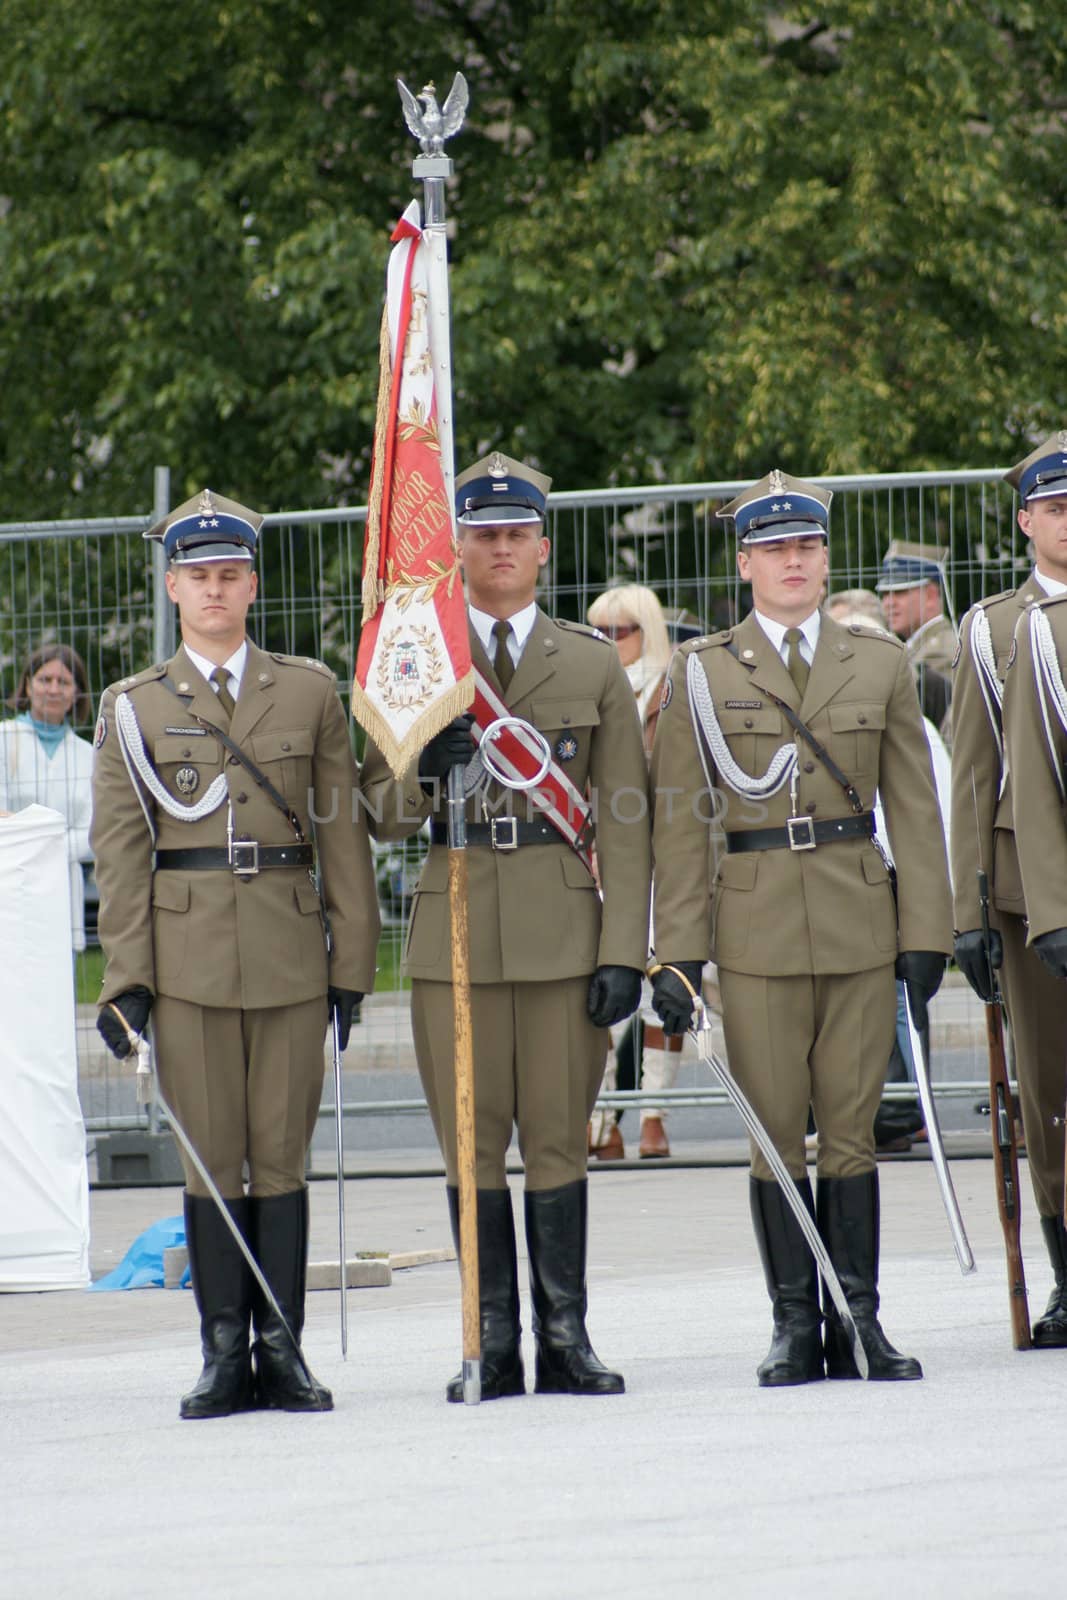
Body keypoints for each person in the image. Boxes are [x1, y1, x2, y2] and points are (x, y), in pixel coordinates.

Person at [649, 469, 952, 1387]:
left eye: (808, 546)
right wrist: (678, 952)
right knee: (775, 1132)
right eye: (775, 548)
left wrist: (927, 931)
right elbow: (679, 817)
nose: (794, 561)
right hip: (755, 927)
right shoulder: (700, 672)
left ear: (826, 558)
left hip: (860, 914)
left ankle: (858, 1318)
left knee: (852, 1129)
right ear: (744, 563)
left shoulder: (879, 663)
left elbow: (914, 804)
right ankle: (793, 1324)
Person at [361, 451, 651, 1402]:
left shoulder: (589, 660)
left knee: (560, 1140)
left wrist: (623, 953)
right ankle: (488, 1340)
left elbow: (625, 818)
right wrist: (420, 762)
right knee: (472, 1147)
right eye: (480, 535)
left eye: (513, 534)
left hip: (567, 936)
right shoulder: (421, 656)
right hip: (457, 934)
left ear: (542, 547)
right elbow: (382, 814)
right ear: (459, 549)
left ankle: (564, 1337)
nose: (497, 548)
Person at [91, 489, 380, 1418]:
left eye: (229, 574)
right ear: (173, 587)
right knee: (213, 1159)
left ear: (252, 584)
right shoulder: (130, 709)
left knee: (281, 1156)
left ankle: (283, 1349)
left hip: (293, 950)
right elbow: (124, 855)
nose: (215, 590)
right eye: (198, 576)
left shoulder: (307, 691)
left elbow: (343, 840)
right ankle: (223, 1352)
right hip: (189, 960)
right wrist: (128, 981)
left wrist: (352, 968)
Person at [970, 433, 1067, 1345]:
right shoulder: (994, 627)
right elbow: (971, 775)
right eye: (1057, 507)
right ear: (1025, 519)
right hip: (1030, 895)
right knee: (1046, 1089)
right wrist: (968, 910)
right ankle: (1066, 1272)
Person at [824, 589, 952, 1153]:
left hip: (891, 876)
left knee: (901, 1003)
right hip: (853, 878)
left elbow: (932, 808)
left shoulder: (911, 721)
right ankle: (883, 1108)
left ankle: (907, 1106)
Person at [585, 583, 682, 1159]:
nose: (608, 641)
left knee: (666, 990)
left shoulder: (671, 687)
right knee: (604, 989)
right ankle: (600, 1122)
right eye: (599, 631)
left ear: (647, 631)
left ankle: (653, 1118)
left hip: (667, 855)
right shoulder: (589, 684)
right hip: (606, 855)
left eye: (619, 631)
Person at [0, 644, 95, 950]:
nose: (54, 689)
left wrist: (35, 839)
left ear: (77, 693)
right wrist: (51, 838)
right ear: (27, 685)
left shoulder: (88, 754)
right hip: (10, 883)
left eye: (64, 682)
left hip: (62, 892)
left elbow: (94, 832)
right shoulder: (4, 739)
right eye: (45, 679)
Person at [875, 539, 956, 736]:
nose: (888, 603)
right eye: (885, 594)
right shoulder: (916, 647)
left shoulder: (942, 650)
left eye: (899, 592)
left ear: (930, 595)